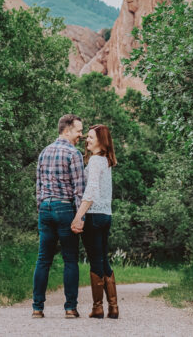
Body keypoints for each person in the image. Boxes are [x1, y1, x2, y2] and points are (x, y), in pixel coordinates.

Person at [31, 113, 86, 319]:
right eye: (79, 131)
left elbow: (38, 186)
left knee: (43, 259)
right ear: (67, 129)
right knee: (70, 259)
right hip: (65, 208)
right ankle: (70, 308)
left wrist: (42, 208)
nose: (80, 135)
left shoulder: (44, 152)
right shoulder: (74, 154)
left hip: (45, 208)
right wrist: (80, 217)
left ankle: (37, 307)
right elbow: (79, 190)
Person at [70, 124, 119, 319]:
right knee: (103, 258)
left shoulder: (96, 161)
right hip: (106, 215)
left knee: (95, 260)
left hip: (93, 216)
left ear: (101, 140)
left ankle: (98, 307)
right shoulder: (106, 161)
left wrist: (78, 215)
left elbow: (91, 191)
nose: (87, 140)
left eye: (91, 137)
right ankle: (113, 307)